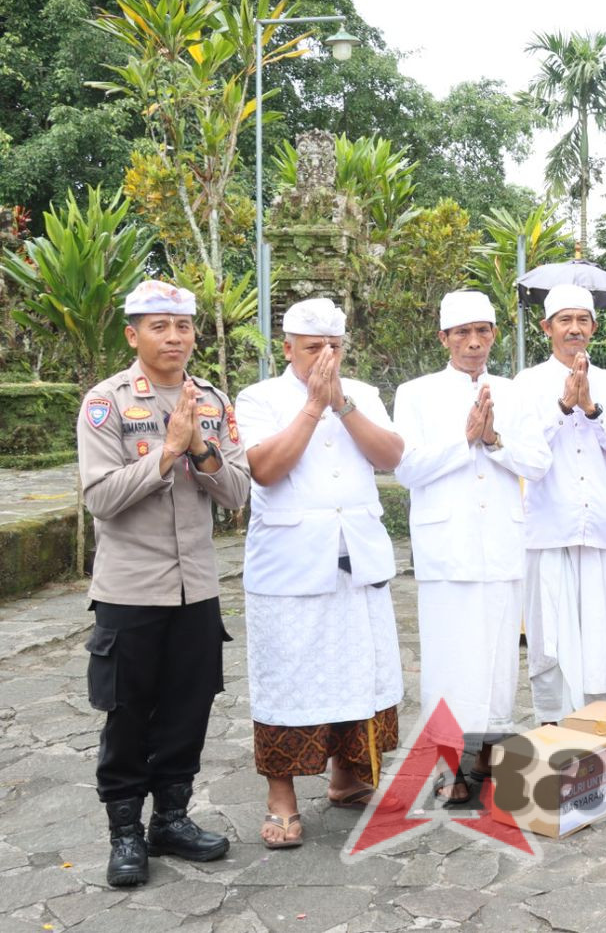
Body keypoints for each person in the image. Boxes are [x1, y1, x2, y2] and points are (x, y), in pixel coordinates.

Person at [77, 280, 251, 887]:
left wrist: (200, 447)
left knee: (188, 707)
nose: (174, 337)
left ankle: (171, 820)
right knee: (127, 713)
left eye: (182, 326)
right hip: (130, 590)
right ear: (133, 335)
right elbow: (101, 498)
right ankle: (125, 832)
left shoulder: (214, 402)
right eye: (158, 326)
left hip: (196, 587)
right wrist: (166, 453)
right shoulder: (106, 402)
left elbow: (237, 493)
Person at [236, 298, 406, 848]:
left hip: (356, 557)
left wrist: (342, 403)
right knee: (287, 676)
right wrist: (313, 405)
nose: (325, 356)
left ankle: (348, 777)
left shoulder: (363, 394)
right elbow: (265, 470)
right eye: (313, 348)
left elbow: (391, 457)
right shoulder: (259, 398)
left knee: (358, 670)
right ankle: (281, 799)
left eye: (334, 346)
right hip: (289, 562)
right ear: (287, 349)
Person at [393, 290, 551, 804]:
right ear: (444, 338)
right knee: (449, 661)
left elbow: (539, 463)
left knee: (500, 660)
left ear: (494, 336)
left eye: (483, 331)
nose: (474, 342)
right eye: (462, 332)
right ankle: (448, 765)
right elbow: (406, 468)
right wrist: (463, 440)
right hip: (447, 545)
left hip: (501, 543)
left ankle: (488, 756)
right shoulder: (415, 394)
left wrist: (494, 440)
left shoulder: (515, 392)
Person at [512, 283, 606, 723]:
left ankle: (595, 724)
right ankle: (552, 724)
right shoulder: (527, 384)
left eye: (582, 320)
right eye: (564, 320)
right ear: (546, 327)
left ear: (594, 327)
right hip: (548, 528)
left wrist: (591, 409)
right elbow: (524, 454)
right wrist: (563, 407)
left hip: (601, 528)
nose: (574, 329)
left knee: (598, 636)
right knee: (548, 633)